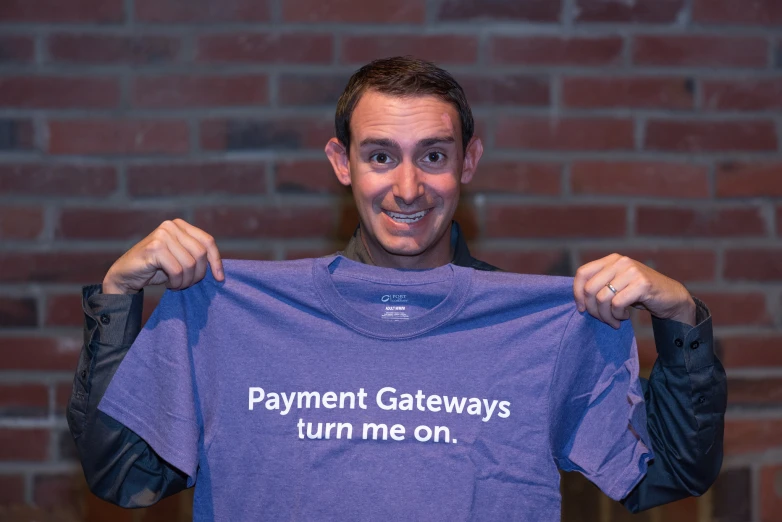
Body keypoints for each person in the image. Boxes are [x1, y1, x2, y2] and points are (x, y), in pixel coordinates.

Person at [68, 56, 725, 513]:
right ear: (341, 163)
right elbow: (126, 477)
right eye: (380, 155)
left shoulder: (540, 332)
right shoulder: (236, 319)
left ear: (468, 162)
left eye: (433, 156)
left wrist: (681, 319)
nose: (407, 188)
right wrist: (119, 298)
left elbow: (668, 474)